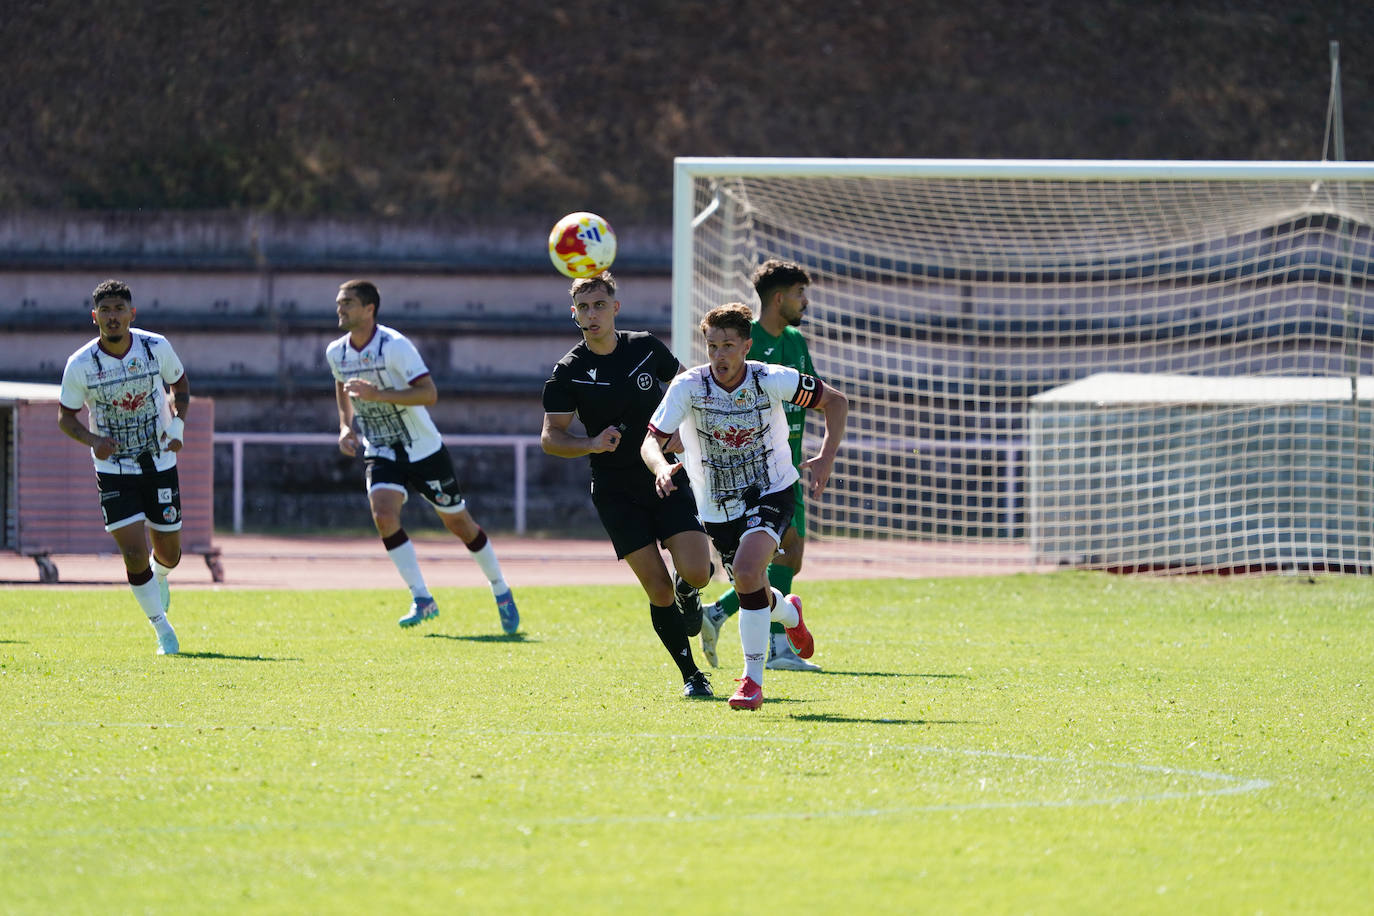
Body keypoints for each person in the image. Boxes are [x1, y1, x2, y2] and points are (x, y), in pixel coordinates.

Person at [643, 302, 848, 709]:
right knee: (750, 586)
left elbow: (835, 401)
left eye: (729, 346)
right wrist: (660, 466)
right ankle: (789, 614)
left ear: (746, 346)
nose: (720, 355)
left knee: (752, 570)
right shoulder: (687, 387)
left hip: (772, 489)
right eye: (712, 346)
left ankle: (751, 682)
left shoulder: (770, 378)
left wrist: (825, 457)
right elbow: (651, 440)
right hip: (717, 507)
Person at [541, 271, 715, 698]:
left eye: (599, 305)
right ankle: (692, 675)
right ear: (574, 314)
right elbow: (551, 438)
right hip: (615, 490)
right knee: (656, 588)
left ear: (615, 308)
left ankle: (688, 592)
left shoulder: (645, 347)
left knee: (698, 571)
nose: (591, 314)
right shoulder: (568, 372)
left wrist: (683, 432)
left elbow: (689, 387)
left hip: (665, 474)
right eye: (583, 307)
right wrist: (591, 443)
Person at [326, 279, 519, 633]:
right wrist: (345, 425)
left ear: (370, 309)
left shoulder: (395, 346)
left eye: (348, 303)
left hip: (423, 449)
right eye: (339, 303)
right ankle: (422, 598)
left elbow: (429, 394)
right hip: (381, 448)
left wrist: (378, 395)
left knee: (459, 524)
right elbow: (341, 383)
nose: (340, 309)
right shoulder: (335, 352)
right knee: (384, 515)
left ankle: (501, 589)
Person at [698, 259, 824, 671]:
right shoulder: (750, 349)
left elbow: (816, 394)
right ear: (779, 297)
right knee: (786, 552)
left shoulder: (795, 341)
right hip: (756, 473)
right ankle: (777, 647)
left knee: (790, 555)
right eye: (800, 294)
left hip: (788, 466)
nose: (805, 302)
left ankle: (718, 614)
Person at [57, 280, 190, 656]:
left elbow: (180, 384)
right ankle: (163, 631)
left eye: (120, 309)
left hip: (159, 460)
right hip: (114, 469)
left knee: (170, 554)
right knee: (133, 553)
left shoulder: (155, 347)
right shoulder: (80, 364)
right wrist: (94, 441)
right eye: (106, 310)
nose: (113, 316)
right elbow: (65, 418)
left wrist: (177, 425)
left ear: (132, 314)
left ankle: (160, 575)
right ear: (94, 316)